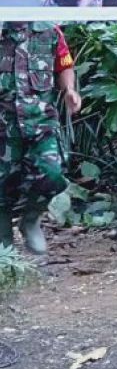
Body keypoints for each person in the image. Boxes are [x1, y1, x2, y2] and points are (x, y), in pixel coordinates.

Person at [0, 22, 82, 254]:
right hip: (4, 127)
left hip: (41, 123)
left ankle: (30, 220)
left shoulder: (48, 30)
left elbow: (64, 64)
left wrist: (69, 90)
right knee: (2, 186)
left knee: (52, 175)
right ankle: (4, 241)